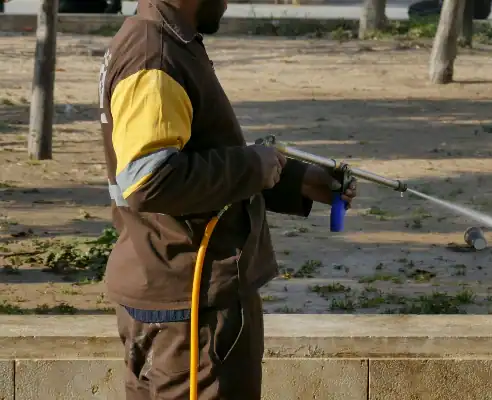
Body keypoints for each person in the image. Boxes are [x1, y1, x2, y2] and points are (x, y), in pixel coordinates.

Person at [96, 0, 357, 398]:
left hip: (175, 288)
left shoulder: (165, 41)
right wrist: (254, 165)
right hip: (191, 302)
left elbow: (194, 159)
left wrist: (296, 182)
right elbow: (149, 180)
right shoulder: (156, 55)